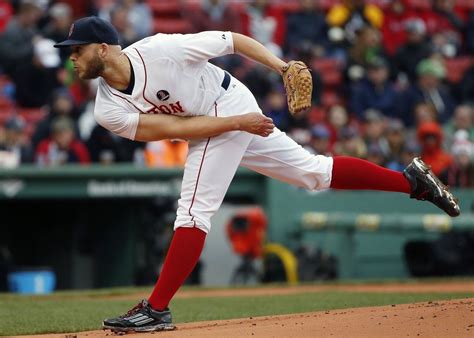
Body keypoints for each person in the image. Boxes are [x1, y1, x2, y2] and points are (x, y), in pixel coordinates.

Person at [54, 16, 460, 333]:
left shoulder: (162, 50)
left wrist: (282, 67)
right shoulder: (106, 109)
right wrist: (237, 124)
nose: (71, 57)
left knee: (193, 211)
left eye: (77, 49)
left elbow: (232, 40)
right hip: (217, 119)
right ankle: (412, 182)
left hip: (228, 100)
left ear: (104, 49)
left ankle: (156, 309)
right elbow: (174, 130)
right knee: (312, 173)